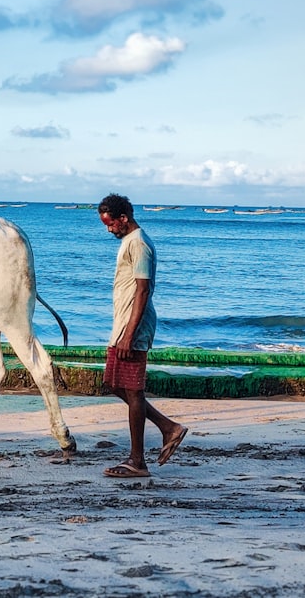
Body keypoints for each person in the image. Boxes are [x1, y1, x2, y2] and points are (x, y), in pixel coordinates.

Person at [98, 193, 188, 478]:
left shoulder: (139, 244)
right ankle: (167, 427)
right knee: (113, 383)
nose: (109, 229)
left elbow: (143, 289)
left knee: (134, 391)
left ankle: (137, 462)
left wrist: (129, 334)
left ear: (123, 218)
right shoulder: (128, 242)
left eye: (111, 224)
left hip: (133, 328)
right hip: (123, 325)